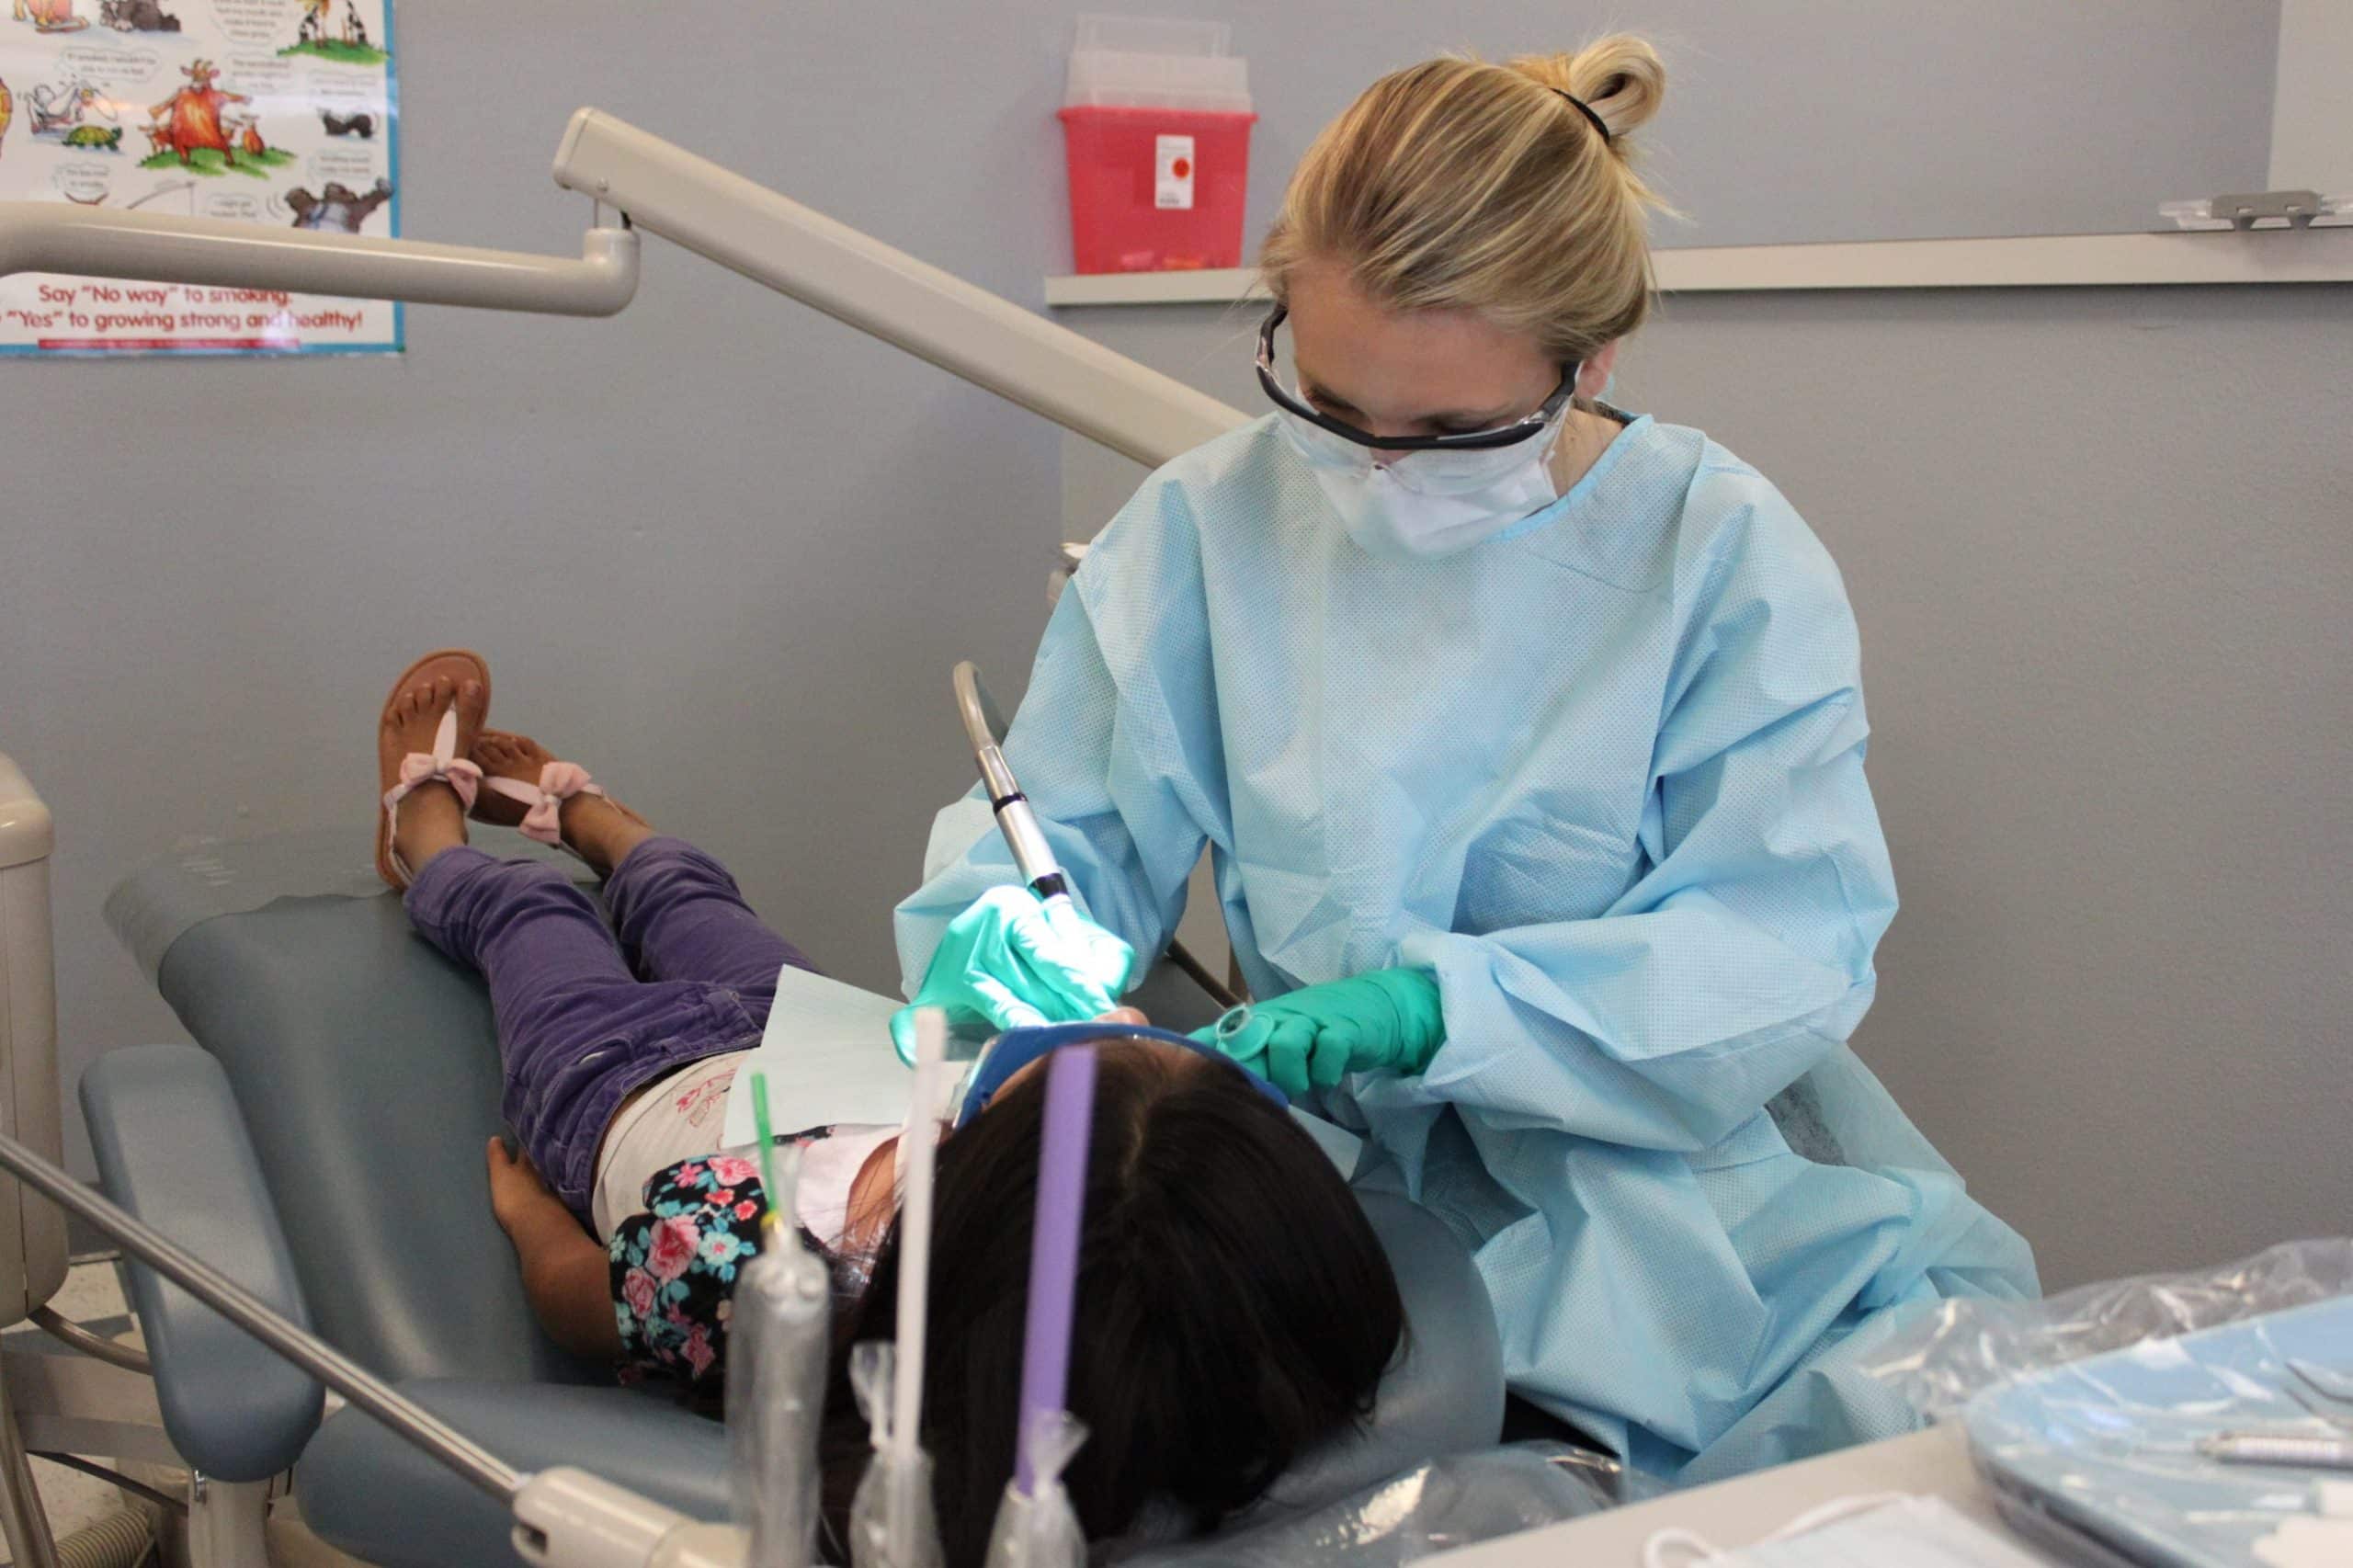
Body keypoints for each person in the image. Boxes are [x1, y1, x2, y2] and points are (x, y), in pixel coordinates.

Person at [897, 38, 2038, 1483]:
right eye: (1326, 401)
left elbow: (1782, 942)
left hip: (1671, 1215)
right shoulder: (1205, 530)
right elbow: (1060, 839)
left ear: (1595, 358)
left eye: (1447, 432)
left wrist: (1443, 1008)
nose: (1372, 472)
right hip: (1327, 1190)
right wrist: (998, 943)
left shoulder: (1713, 556)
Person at [369, 652, 1403, 1565]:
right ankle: (596, 822)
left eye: (1030, 1071)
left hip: (620, 1082)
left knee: (529, 915)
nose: (1091, 1028)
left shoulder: (753, 1268)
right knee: (694, 897)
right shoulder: (1154, 1248)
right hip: (791, 1024)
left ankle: (427, 835)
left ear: (988, 1173)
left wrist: (528, 1213)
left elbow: (576, 1294)